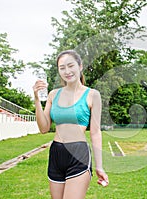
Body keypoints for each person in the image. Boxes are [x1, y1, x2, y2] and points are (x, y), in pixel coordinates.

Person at [33, 49, 109, 199]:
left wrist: (99, 166)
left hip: (78, 154)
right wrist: (36, 99)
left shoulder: (92, 95)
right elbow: (44, 128)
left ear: (80, 66)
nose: (67, 71)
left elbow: (95, 132)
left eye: (70, 66)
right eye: (62, 68)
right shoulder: (53, 94)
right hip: (56, 153)